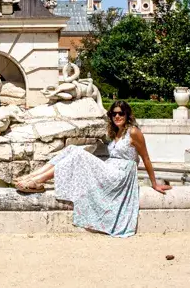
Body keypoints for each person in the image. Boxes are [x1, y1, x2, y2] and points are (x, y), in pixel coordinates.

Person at [14, 100, 172, 237]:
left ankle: (37, 181)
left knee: (78, 154)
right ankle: (32, 177)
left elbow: (146, 158)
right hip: (109, 169)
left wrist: (154, 183)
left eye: (121, 113)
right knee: (72, 150)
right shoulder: (115, 133)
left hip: (120, 176)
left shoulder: (134, 132)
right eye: (113, 114)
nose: (117, 116)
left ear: (127, 115)